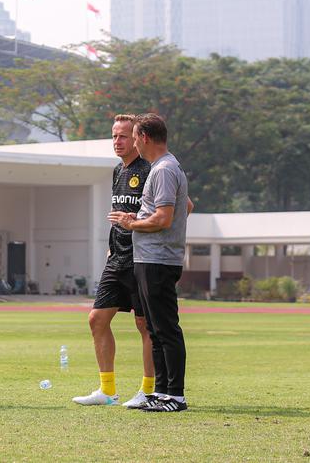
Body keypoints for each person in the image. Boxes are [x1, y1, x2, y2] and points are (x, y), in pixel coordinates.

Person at [73, 114, 156, 408]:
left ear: (137, 138)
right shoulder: (117, 172)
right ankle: (107, 391)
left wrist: (139, 220)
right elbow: (118, 213)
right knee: (97, 319)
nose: (117, 142)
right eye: (114, 136)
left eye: (123, 136)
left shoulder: (151, 170)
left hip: (142, 259)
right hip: (116, 258)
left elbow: (180, 208)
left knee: (144, 325)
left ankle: (148, 392)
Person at [111, 113, 192, 413]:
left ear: (144, 137)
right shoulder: (161, 168)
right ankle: (160, 392)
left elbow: (164, 218)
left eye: (133, 137)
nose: (131, 143)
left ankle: (176, 395)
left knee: (166, 328)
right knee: (155, 330)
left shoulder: (164, 169)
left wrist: (132, 225)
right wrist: (135, 218)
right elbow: (156, 215)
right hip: (148, 257)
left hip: (159, 259)